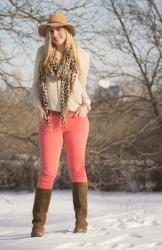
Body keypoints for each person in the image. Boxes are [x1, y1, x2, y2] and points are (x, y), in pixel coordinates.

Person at [30, 12, 92, 237]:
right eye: (51, 30)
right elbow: (36, 86)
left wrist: (86, 105)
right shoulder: (42, 53)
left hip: (76, 117)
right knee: (48, 171)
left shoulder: (82, 56)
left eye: (59, 29)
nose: (55, 34)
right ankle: (38, 223)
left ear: (67, 31)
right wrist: (38, 106)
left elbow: (82, 87)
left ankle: (81, 220)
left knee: (77, 169)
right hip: (50, 119)